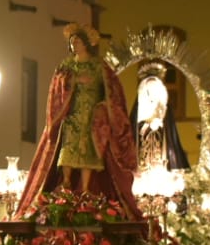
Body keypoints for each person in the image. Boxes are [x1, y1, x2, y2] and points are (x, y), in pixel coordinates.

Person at [14, 23, 140, 218]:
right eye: (72, 42)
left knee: (89, 150)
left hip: (93, 118)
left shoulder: (99, 66)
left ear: (86, 43)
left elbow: (112, 92)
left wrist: (104, 110)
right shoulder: (66, 66)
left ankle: (87, 187)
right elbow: (57, 92)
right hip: (72, 115)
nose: (75, 45)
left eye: (78, 41)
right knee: (69, 148)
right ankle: (65, 182)